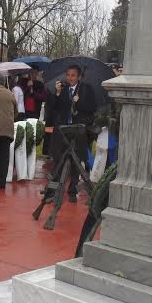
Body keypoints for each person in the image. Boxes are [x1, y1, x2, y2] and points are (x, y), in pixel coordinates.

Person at [49, 64, 97, 203]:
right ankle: (53, 189)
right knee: (58, 159)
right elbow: (54, 108)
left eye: (73, 75)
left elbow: (92, 108)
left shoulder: (86, 89)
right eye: (68, 75)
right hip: (63, 130)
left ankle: (72, 190)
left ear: (79, 76)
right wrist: (57, 94)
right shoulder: (62, 89)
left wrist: (79, 101)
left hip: (78, 130)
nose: (70, 78)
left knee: (76, 161)